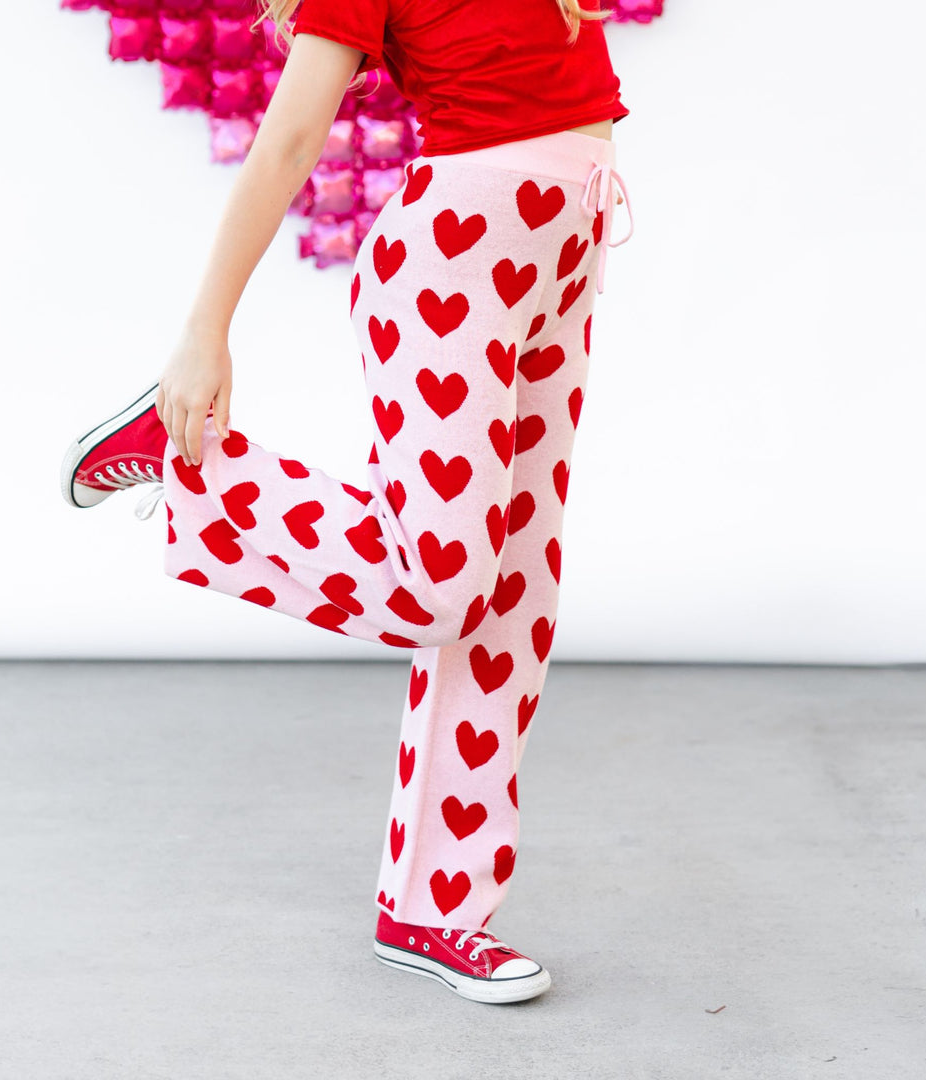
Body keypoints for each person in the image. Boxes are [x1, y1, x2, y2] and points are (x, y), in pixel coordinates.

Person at [60, 0, 632, 1004]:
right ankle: (192, 464)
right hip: (453, 264)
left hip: (561, 259)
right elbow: (286, 140)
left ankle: (434, 910)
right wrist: (205, 334)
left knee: (514, 606)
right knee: (444, 586)